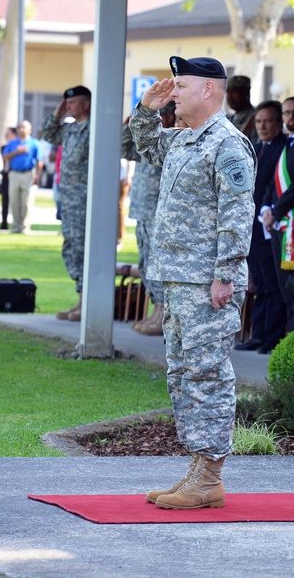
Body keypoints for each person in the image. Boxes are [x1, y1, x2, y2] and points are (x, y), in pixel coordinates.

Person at [131, 55, 255, 510]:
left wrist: (225, 275)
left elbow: (237, 217)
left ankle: (209, 476)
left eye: (181, 85)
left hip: (208, 284)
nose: (174, 91)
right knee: (183, 375)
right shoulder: (185, 140)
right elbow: (145, 145)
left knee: (207, 376)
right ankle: (197, 469)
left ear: (208, 91)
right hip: (179, 280)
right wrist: (147, 108)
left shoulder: (227, 144)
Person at [237, 101, 288, 354]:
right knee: (257, 282)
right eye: (259, 122)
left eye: (268, 121)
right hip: (253, 227)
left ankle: (272, 337)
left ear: (280, 122)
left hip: (271, 225)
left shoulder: (283, 148)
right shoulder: (257, 148)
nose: (263, 126)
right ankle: (258, 334)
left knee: (272, 284)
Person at [122, 102, 173, 336]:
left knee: (159, 265)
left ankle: (164, 314)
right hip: (142, 211)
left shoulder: (171, 141)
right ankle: (156, 310)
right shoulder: (148, 141)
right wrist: (133, 119)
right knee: (145, 264)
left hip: (159, 214)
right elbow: (122, 147)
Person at [262, 95, 294, 332]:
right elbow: (273, 183)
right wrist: (266, 209)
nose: (291, 117)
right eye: (286, 113)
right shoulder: (287, 143)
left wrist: (275, 209)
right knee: (285, 290)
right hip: (279, 225)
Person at [42, 85, 92, 321]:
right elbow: (48, 134)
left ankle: (87, 302)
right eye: (67, 104)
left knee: (83, 249)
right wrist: (58, 113)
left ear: (86, 104)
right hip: (69, 200)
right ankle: (80, 297)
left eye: (72, 103)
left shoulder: (94, 129)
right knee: (71, 248)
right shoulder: (70, 129)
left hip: (85, 200)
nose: (68, 106)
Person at [1, 120, 41, 234]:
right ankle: (15, 226)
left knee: (26, 202)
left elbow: (39, 161)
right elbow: (5, 157)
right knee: (14, 201)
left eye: (24, 127)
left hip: (28, 174)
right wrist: (16, 152)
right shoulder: (13, 143)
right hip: (14, 174)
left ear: (30, 130)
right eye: (20, 127)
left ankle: (24, 226)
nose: (21, 129)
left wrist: (37, 176)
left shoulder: (34, 143)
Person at [226, 75, 256, 143]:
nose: (229, 96)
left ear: (246, 93)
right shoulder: (227, 119)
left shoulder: (256, 119)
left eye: (234, 92)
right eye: (228, 92)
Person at [0, 126, 16, 230]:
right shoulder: (5, 147)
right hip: (6, 175)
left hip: (15, 173)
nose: (6, 136)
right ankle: (4, 222)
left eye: (8, 133)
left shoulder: (19, 145)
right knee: (5, 199)